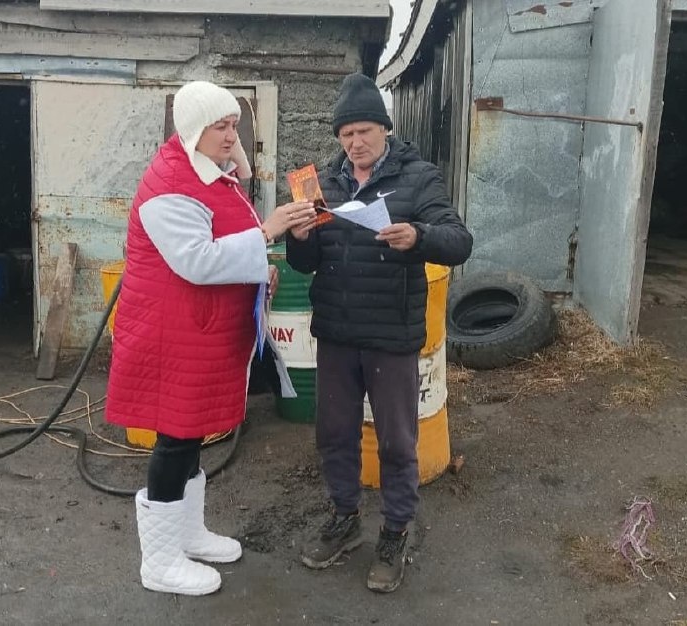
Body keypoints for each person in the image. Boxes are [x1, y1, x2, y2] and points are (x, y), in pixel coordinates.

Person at [105, 81, 315, 596]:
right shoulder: (169, 185)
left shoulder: (210, 173)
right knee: (175, 438)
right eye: (219, 126)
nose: (230, 135)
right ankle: (159, 562)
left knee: (192, 430)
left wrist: (258, 269)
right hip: (170, 334)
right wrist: (266, 233)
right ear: (193, 129)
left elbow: (222, 240)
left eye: (233, 125)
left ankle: (188, 533)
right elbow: (196, 261)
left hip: (198, 330)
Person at [286, 72, 473, 593]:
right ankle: (344, 518)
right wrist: (299, 237)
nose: (355, 143)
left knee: (396, 440)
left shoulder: (419, 177)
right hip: (337, 333)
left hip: (392, 334)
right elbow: (305, 263)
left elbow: (459, 240)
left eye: (364, 131)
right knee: (334, 434)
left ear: (385, 129)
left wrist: (419, 235)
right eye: (346, 134)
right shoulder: (318, 183)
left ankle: (395, 531)